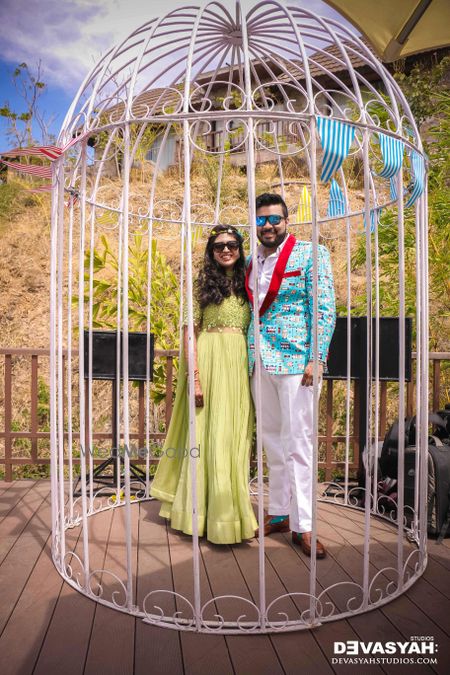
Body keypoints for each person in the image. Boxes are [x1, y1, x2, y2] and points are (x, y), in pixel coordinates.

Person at [150, 225, 258, 544]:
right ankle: (201, 514)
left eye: (232, 244)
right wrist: (194, 377)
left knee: (234, 437)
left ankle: (229, 513)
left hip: (240, 363)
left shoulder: (251, 284)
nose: (226, 250)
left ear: (240, 248)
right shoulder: (200, 288)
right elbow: (189, 332)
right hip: (209, 359)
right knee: (207, 434)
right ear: (211, 252)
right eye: (219, 246)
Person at [246, 193, 336, 558]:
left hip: (297, 363)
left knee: (299, 444)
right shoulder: (252, 261)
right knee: (271, 440)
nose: (268, 226)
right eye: (262, 221)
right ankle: (279, 512)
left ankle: (305, 525)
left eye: (274, 220)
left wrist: (317, 358)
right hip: (260, 362)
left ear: (287, 221)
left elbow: (325, 308)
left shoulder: (311, 254)